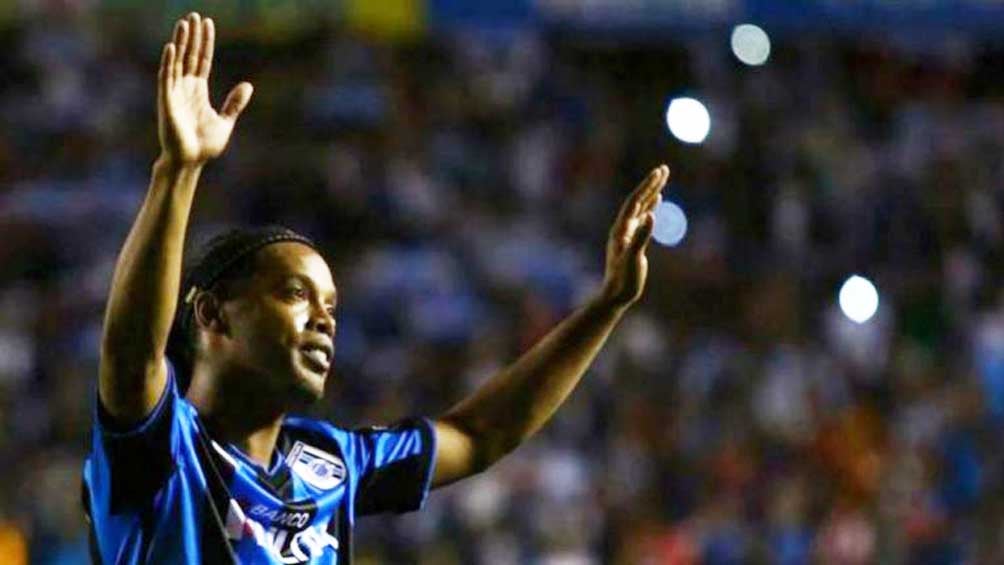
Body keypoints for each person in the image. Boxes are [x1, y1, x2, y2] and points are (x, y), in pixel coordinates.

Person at [82, 12, 669, 564]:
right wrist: (178, 172)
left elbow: (479, 434)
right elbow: (131, 354)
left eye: (331, 305)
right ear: (213, 315)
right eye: (295, 294)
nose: (325, 319)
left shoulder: (331, 464)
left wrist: (606, 306)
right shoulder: (161, 450)